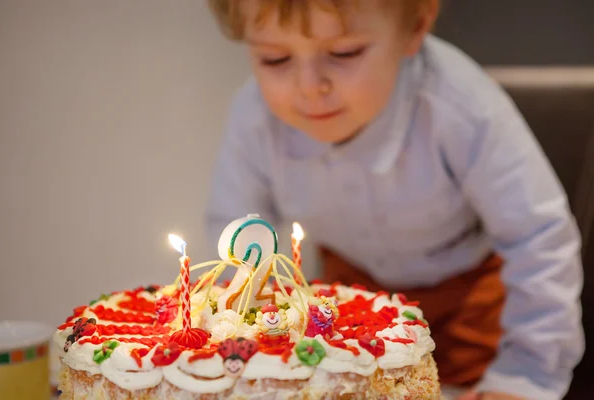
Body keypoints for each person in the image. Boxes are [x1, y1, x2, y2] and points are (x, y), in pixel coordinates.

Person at [204, 1, 585, 399]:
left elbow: (538, 236)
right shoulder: (253, 116)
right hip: (346, 300)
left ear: (416, 27)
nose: (309, 85)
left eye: (343, 53)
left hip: (468, 301)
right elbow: (238, 237)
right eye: (275, 59)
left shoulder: (462, 106)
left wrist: (524, 376)